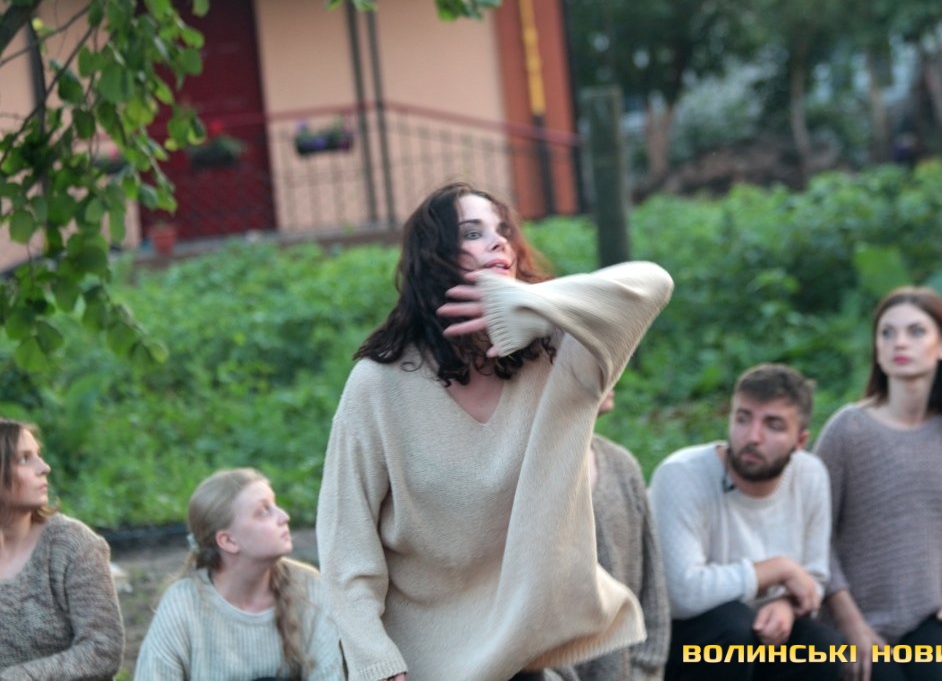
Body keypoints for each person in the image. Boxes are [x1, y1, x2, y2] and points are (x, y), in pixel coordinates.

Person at [316, 181, 674, 681]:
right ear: (436, 257)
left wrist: (530, 305)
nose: (498, 241)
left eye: (502, 230)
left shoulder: (563, 357)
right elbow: (344, 544)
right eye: (472, 232)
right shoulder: (379, 384)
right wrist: (378, 662)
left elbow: (652, 283)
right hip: (417, 663)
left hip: (524, 656)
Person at [814, 286, 942, 681]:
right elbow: (813, 533)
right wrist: (850, 624)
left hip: (926, 617)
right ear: (877, 350)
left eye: (916, 331)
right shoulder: (847, 430)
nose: (899, 342)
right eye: (887, 332)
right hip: (849, 621)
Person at [649, 364, 843, 681]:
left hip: (763, 631)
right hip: (686, 639)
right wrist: (777, 569)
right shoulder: (681, 475)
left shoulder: (811, 475)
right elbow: (681, 593)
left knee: (822, 647)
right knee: (732, 626)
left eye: (773, 425)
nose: (752, 437)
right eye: (743, 419)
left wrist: (786, 604)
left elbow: (814, 578)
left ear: (800, 441)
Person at [135, 468, 343, 680]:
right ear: (228, 541)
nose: (284, 516)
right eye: (264, 511)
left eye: (275, 505)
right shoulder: (182, 606)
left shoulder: (309, 588)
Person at [0, 417, 125, 679]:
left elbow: (103, 650)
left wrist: (19, 677)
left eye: (38, 455)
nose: (44, 467)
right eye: (24, 459)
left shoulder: (74, 545)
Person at [570, 388, 671, 681]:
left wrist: (645, 669)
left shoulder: (621, 465)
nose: (613, 370)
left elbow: (652, 583)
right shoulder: (522, 470)